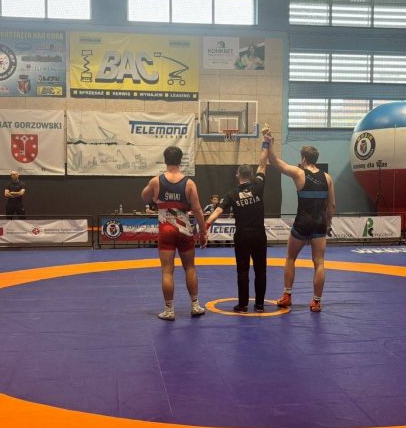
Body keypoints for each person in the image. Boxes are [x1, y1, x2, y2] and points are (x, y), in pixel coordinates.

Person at [267, 132, 336, 312]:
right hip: (319, 223)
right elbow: (332, 206)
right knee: (319, 262)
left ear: (304, 158)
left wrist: (269, 144)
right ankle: (316, 301)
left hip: (302, 223)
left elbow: (276, 163)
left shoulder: (299, 173)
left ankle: (287, 296)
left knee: (290, 258)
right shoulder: (327, 178)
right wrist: (328, 224)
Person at [141, 146, 208, 321]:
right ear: (180, 161)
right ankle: (195, 305)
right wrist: (203, 232)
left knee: (167, 271)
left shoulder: (156, 181)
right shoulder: (189, 183)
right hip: (184, 229)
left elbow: (144, 196)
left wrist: (155, 199)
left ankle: (169, 310)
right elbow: (198, 210)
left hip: (166, 229)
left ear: (165, 160)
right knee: (190, 268)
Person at [205, 134, 270, 313]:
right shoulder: (258, 186)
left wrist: (205, 227)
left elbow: (217, 212)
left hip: (242, 236)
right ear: (251, 175)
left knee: (242, 271)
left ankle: (242, 305)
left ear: (238, 175)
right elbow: (263, 164)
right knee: (261, 271)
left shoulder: (231, 194)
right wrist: (266, 142)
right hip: (259, 235)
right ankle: (259, 305)